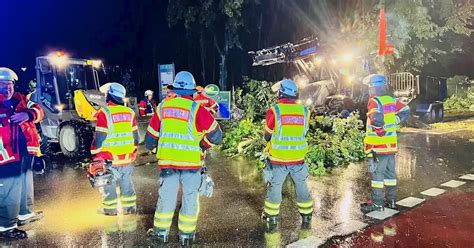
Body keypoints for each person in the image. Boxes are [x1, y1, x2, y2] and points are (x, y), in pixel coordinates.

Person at [145, 71, 222, 245]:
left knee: (166, 197)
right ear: (192, 92)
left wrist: (154, 147)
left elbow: (149, 140)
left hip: (168, 164)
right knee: (190, 197)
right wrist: (203, 144)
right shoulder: (197, 110)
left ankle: (160, 234)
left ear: (175, 89)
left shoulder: (162, 108)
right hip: (192, 165)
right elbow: (217, 136)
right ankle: (186, 236)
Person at [262, 79, 313, 233]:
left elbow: (267, 135)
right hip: (298, 157)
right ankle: (307, 215)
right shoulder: (305, 111)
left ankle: (271, 217)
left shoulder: (275, 110)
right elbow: (305, 132)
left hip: (279, 158)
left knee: (275, 186)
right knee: (301, 185)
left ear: (280, 92)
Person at [0, 67, 44, 240]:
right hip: (6, 156)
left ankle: (25, 214)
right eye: (3, 85)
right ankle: (6, 226)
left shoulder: (21, 100)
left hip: (25, 152)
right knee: (9, 190)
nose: (7, 88)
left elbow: (39, 111)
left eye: (9, 84)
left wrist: (28, 114)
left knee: (25, 184)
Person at [360, 74, 410, 212]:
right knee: (390, 176)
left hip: (377, 148)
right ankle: (391, 201)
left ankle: (377, 203)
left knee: (377, 176)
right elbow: (405, 110)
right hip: (391, 147)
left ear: (372, 88)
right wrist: (396, 120)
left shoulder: (374, 101)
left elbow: (376, 117)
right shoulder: (391, 100)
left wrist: (379, 130)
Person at [91, 82, 139, 215]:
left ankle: (110, 210)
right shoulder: (130, 112)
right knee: (127, 186)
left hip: (109, 160)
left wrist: (94, 154)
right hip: (127, 159)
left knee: (109, 187)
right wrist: (134, 151)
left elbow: (99, 138)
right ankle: (129, 209)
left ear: (109, 95)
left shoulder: (105, 113)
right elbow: (136, 137)